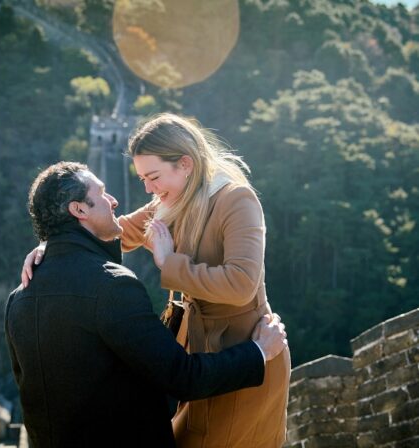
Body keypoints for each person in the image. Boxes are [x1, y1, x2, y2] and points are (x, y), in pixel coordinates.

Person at [22, 114, 291, 447]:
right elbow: (114, 230)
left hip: (245, 354)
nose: (148, 189)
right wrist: (52, 244)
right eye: (143, 179)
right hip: (197, 358)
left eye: (153, 177)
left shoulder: (236, 200)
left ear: (185, 164)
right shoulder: (170, 201)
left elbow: (242, 284)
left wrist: (168, 262)